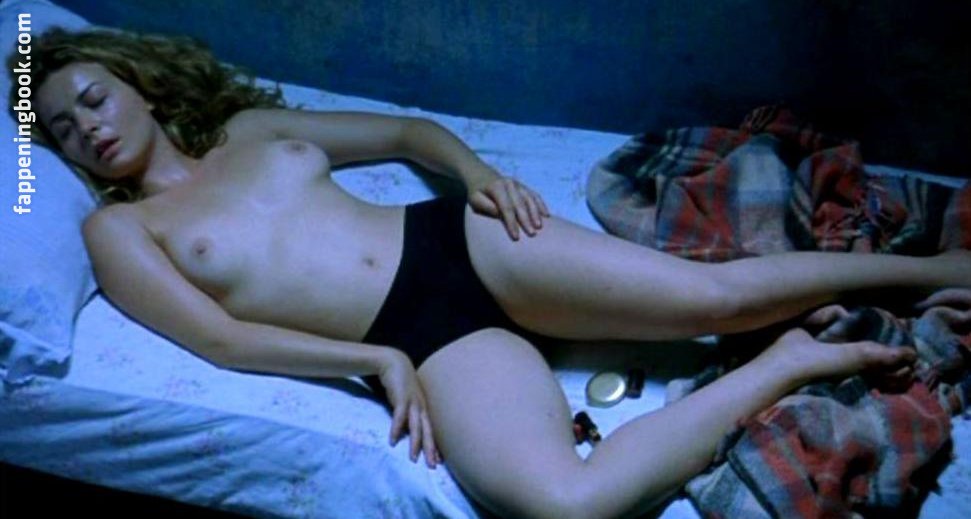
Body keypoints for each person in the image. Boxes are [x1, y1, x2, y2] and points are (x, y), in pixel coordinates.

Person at [11, 27, 970, 518]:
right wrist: (371, 361)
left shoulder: (251, 129)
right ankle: (787, 361)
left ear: (134, 83)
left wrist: (476, 178)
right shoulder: (120, 231)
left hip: (461, 243)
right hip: (417, 335)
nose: (88, 127)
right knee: (564, 504)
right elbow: (221, 339)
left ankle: (927, 265)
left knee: (712, 297)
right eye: (60, 128)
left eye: (92, 97)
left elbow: (404, 133)